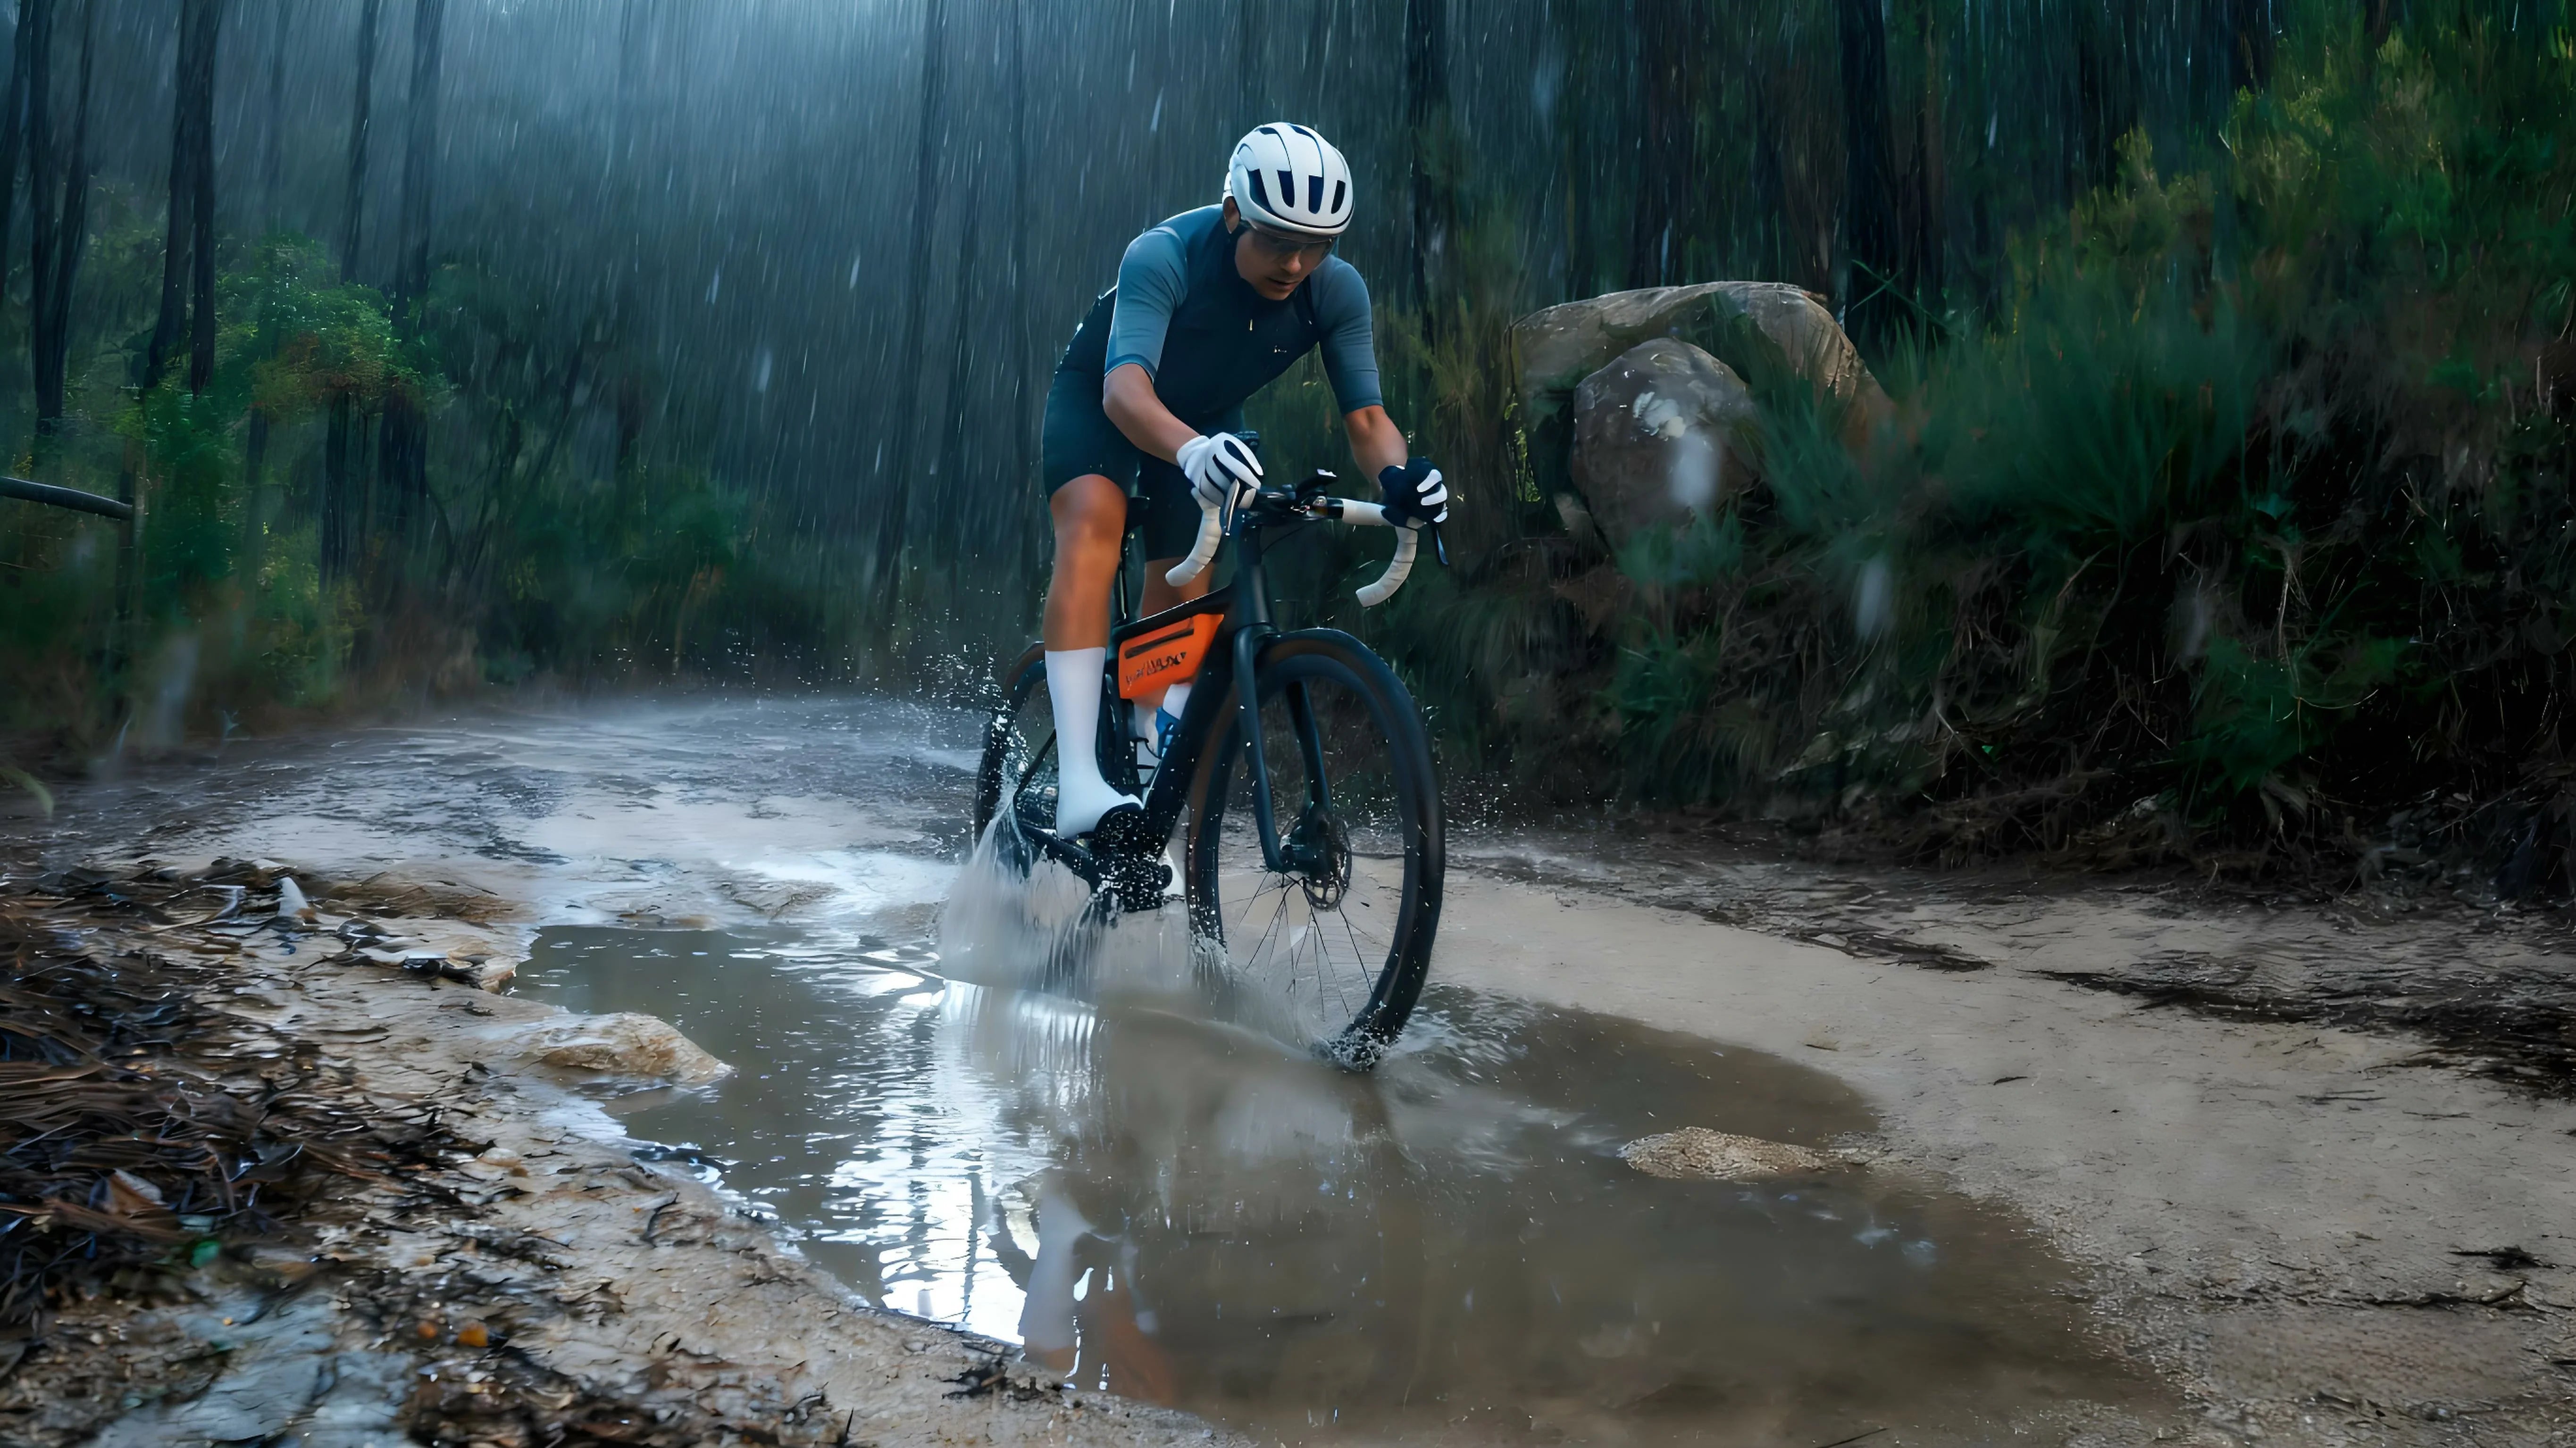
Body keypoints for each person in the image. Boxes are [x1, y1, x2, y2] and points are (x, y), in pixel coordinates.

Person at [1037, 123, 1450, 839]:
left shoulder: (1337, 292)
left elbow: (1367, 419)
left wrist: (1400, 477)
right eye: (1277, 241)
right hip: (1105, 400)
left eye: (1316, 245)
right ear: (1234, 215)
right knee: (1094, 528)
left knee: (1183, 594)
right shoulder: (1163, 255)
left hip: (1205, 423)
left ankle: (1141, 779)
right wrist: (1193, 451)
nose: (1296, 263)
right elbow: (1126, 392)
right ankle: (1077, 779)